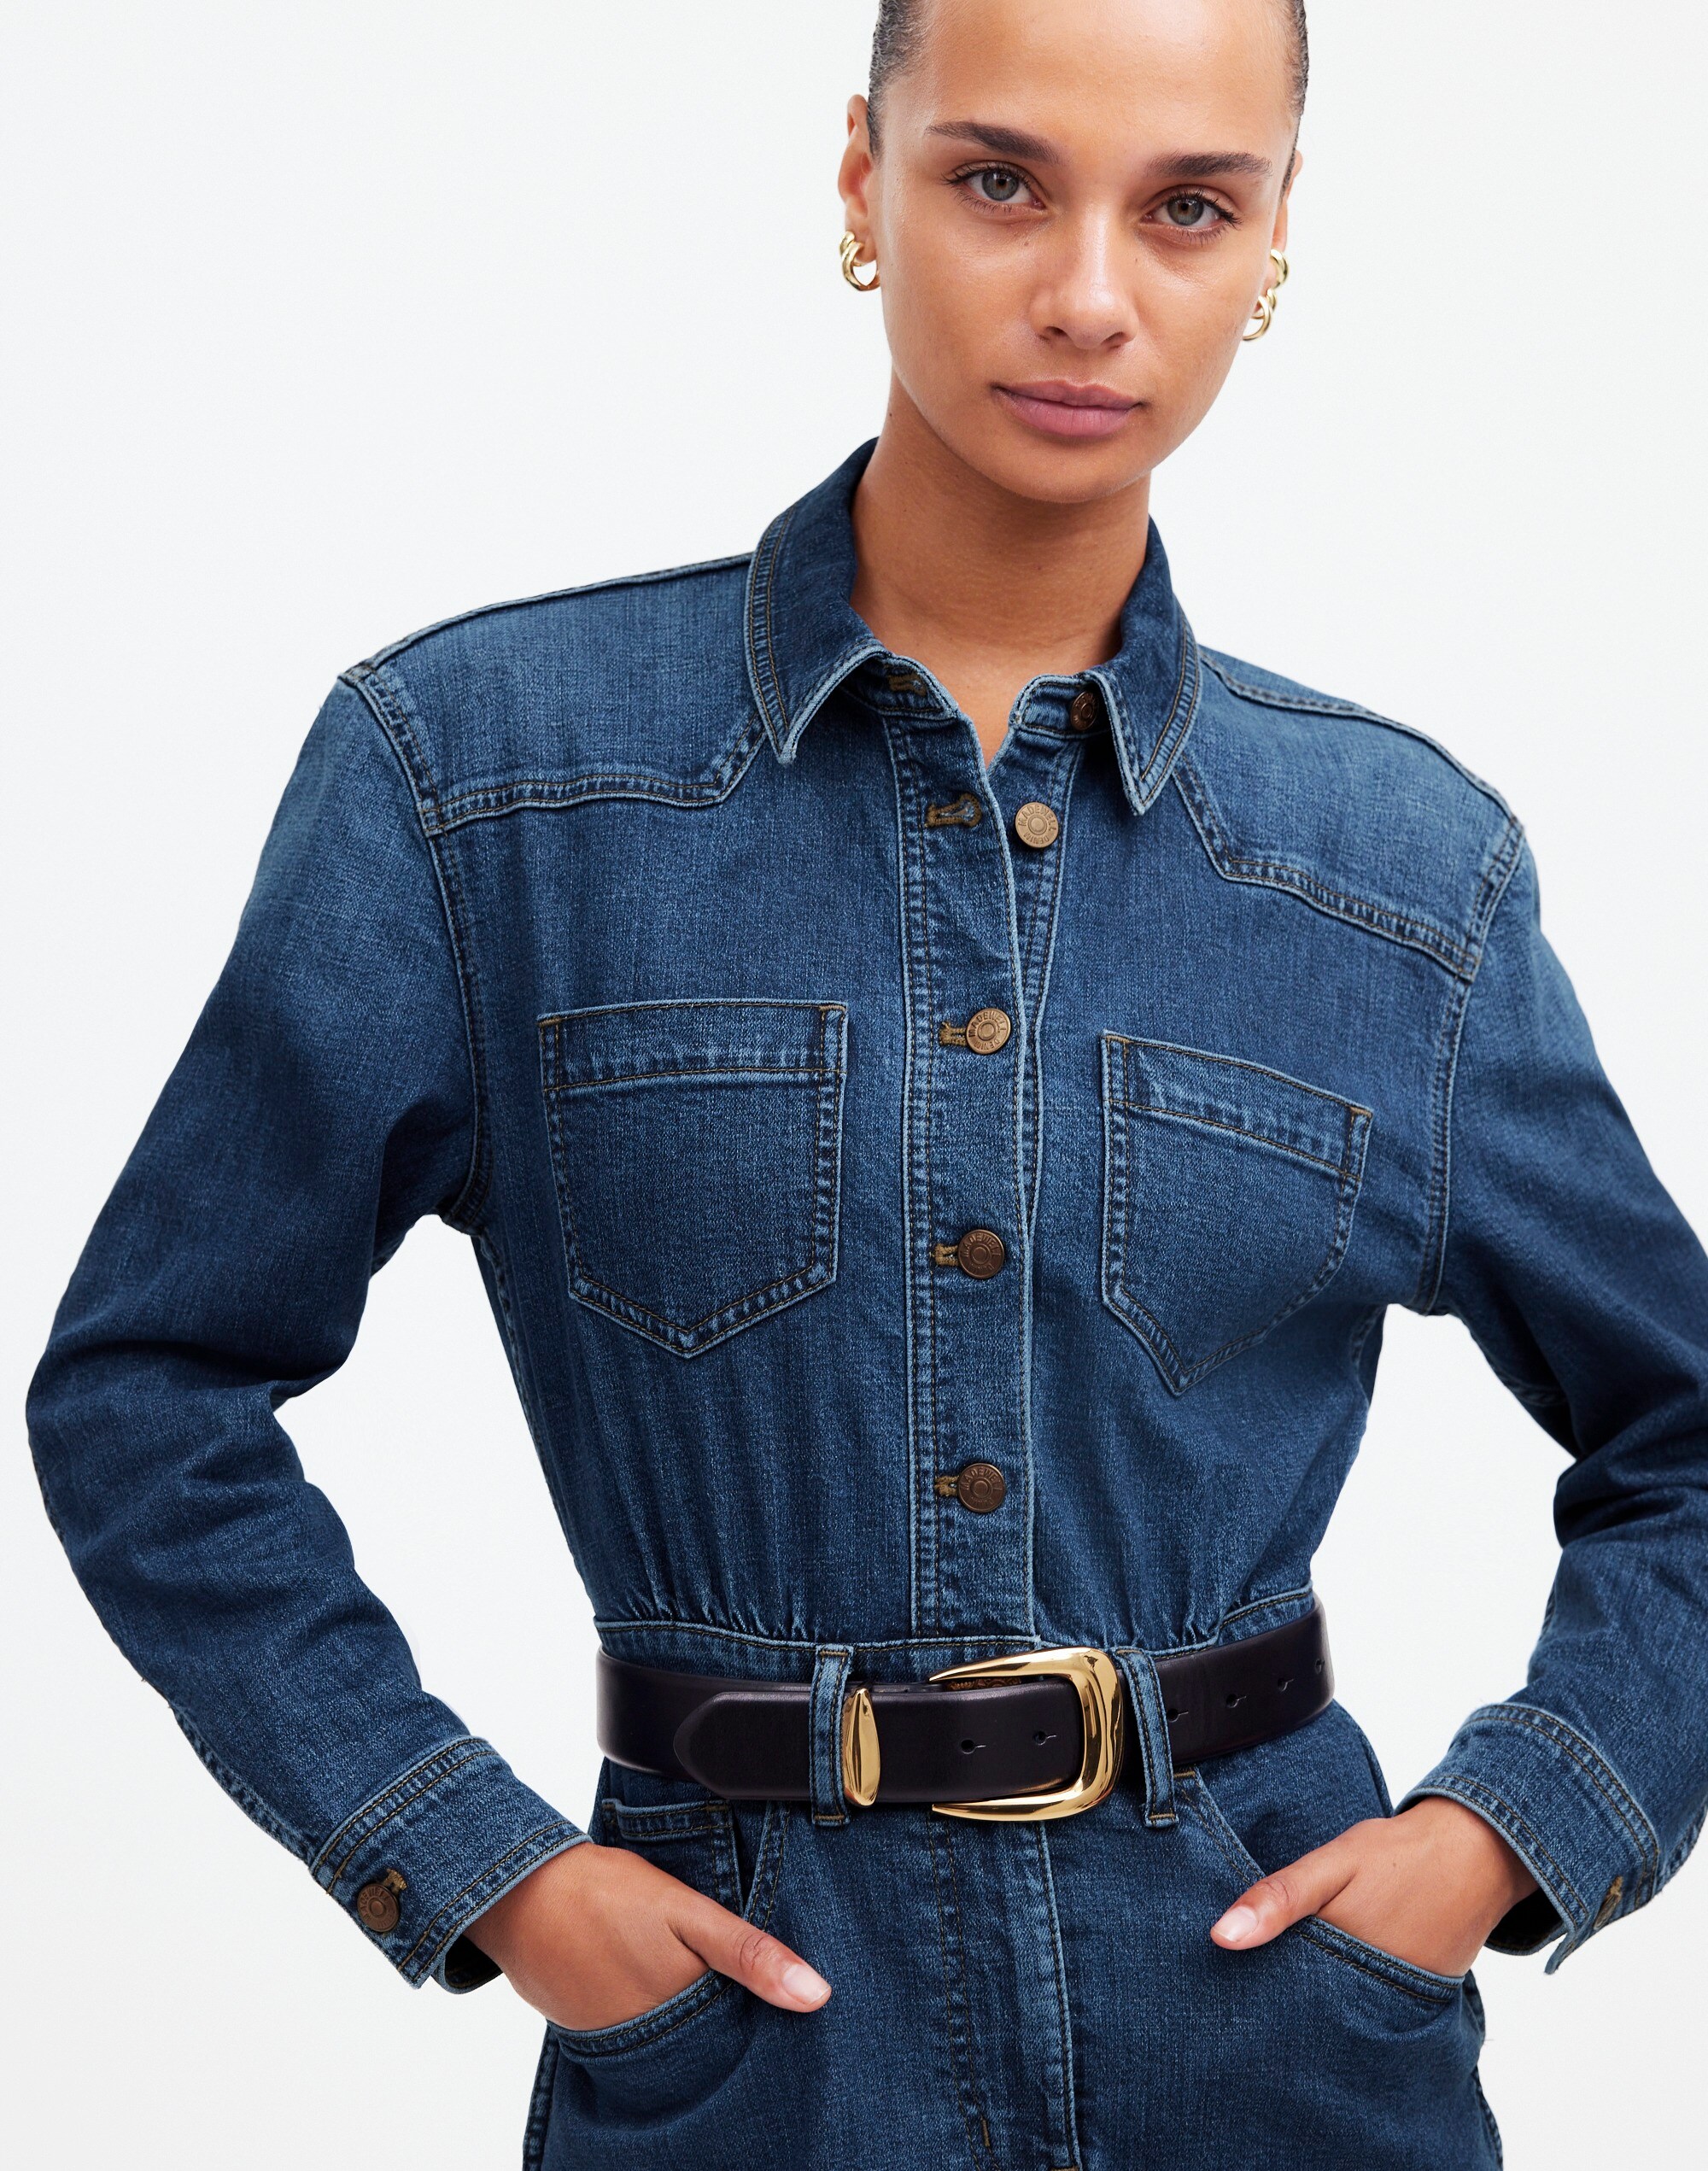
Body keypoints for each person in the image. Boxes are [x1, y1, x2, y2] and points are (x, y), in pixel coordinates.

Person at [26, 1, 1708, 2164]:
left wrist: (1507, 1826)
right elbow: (150, 1388)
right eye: (998, 180)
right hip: (748, 2053)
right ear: (860, 180)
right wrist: (479, 1863)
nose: (1087, 294)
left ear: (1275, 241)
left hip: (1275, 2039)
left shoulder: (1397, 875)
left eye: (1188, 208)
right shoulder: (482, 783)